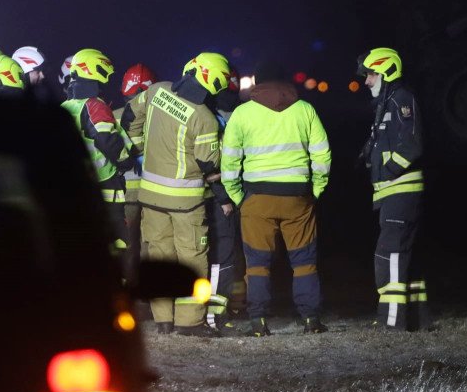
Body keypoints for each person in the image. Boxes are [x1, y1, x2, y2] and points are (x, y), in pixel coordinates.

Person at [121, 52, 231, 337]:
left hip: (151, 197)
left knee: (158, 258)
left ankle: (163, 322)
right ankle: (189, 323)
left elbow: (130, 117)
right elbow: (211, 168)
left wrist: (141, 148)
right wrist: (225, 199)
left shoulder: (157, 91)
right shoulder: (204, 118)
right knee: (192, 260)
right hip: (186, 203)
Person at [220, 59, 331, 337]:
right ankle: (311, 320)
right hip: (298, 197)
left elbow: (230, 161)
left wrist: (238, 197)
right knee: (304, 260)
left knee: (257, 263)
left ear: (257, 82)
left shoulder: (243, 114)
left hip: (256, 199)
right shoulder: (305, 110)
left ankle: (258, 322)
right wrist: (315, 190)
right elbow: (322, 155)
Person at [356, 47, 429, 331]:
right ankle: (417, 320)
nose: (366, 82)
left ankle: (392, 322)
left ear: (386, 72)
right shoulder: (388, 103)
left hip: (402, 189)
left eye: (371, 75)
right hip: (392, 192)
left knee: (390, 253)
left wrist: (386, 170)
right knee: (403, 255)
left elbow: (412, 145)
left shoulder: (401, 99)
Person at [61, 49, 135, 257]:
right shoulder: (94, 105)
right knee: (116, 242)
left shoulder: (66, 105)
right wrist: (125, 161)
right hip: (105, 185)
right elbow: (106, 139)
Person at [204, 69, 244, 334]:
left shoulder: (224, 113)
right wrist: (223, 197)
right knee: (223, 254)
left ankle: (226, 307)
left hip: (233, 194)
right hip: (221, 198)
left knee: (230, 254)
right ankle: (215, 314)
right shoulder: (212, 117)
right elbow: (210, 164)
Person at [113, 63, 158, 285]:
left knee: (128, 245)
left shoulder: (112, 116)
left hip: (125, 193)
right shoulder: (160, 118)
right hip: (154, 192)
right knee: (151, 244)